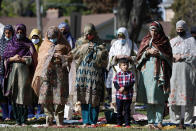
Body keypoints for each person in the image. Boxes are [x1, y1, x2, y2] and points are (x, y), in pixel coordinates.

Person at [70, 23, 108, 127]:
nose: (88, 36)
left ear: (94, 33)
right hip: (82, 74)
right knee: (84, 97)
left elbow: (105, 58)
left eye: (90, 34)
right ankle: (85, 120)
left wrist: (96, 49)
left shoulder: (100, 43)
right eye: (86, 34)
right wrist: (86, 47)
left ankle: (93, 121)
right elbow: (74, 55)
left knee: (94, 98)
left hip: (95, 74)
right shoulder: (80, 42)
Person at [32, 26, 71, 127]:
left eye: (53, 37)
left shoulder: (65, 44)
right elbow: (40, 57)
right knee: (45, 96)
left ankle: (59, 120)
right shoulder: (44, 45)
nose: (51, 39)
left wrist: (61, 57)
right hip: (46, 74)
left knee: (59, 97)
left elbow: (71, 57)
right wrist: (47, 56)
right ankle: (48, 119)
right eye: (49, 37)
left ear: (58, 35)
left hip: (60, 74)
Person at [136, 21, 173, 129]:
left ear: (159, 30)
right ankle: (151, 121)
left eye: (155, 30)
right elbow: (138, 58)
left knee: (159, 98)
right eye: (151, 29)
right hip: (147, 72)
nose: (153, 31)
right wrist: (147, 53)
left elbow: (170, 57)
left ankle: (159, 121)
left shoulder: (164, 41)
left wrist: (160, 54)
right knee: (149, 98)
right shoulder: (145, 40)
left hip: (160, 73)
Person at [3, 24, 37, 126]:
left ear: (25, 32)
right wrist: (13, 59)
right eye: (17, 32)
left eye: (21, 32)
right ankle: (17, 120)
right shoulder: (11, 43)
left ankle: (24, 120)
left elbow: (33, 59)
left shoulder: (28, 43)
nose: (19, 34)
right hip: (13, 74)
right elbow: (5, 59)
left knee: (23, 96)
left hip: (24, 74)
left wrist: (22, 59)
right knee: (14, 96)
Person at [169, 20, 196, 129]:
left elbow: (195, 56)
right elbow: (167, 55)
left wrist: (183, 56)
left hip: (187, 72)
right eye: (178, 29)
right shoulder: (172, 41)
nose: (180, 31)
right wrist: (173, 57)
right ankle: (175, 120)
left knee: (187, 94)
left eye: (182, 29)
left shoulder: (191, 41)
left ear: (185, 29)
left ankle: (187, 120)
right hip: (174, 71)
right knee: (174, 95)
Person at [108, 27, 138, 113]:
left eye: (122, 36)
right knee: (117, 93)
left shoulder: (132, 44)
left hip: (129, 71)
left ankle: (130, 114)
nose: (121, 38)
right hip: (117, 71)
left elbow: (138, 56)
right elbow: (110, 56)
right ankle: (117, 114)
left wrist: (129, 57)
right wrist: (116, 57)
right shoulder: (115, 44)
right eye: (119, 36)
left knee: (129, 93)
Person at [28, 28, 44, 121]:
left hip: (40, 73)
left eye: (36, 37)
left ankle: (40, 112)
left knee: (39, 93)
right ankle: (30, 112)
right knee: (30, 93)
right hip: (30, 72)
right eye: (33, 37)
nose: (35, 39)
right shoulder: (27, 45)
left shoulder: (43, 46)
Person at [113, 58, 135, 128]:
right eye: (124, 65)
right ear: (120, 66)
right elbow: (115, 83)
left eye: (127, 65)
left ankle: (127, 123)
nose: (125, 66)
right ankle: (119, 123)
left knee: (127, 110)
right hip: (119, 95)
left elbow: (131, 83)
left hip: (128, 95)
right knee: (119, 109)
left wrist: (125, 88)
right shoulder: (118, 74)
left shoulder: (130, 74)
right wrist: (119, 88)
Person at [0, 25, 14, 121]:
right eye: (6, 33)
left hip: (12, 71)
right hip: (1, 72)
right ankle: (5, 115)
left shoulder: (15, 43)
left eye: (9, 33)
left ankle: (11, 115)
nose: (7, 35)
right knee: (2, 94)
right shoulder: (0, 43)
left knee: (11, 94)